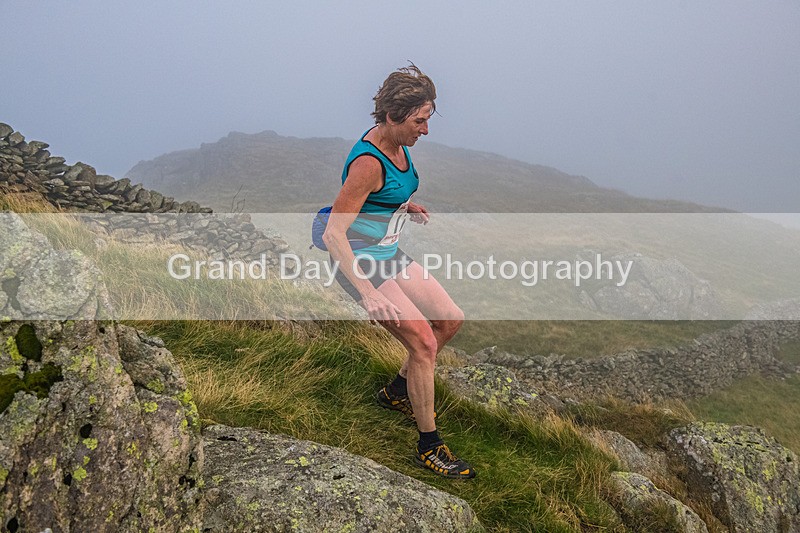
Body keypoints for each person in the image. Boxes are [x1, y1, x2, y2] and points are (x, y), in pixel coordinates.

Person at [322, 64, 474, 479]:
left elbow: (384, 196)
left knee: (449, 320)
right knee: (423, 343)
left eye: (427, 119)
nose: (425, 130)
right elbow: (335, 234)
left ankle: (395, 393)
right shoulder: (367, 164)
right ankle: (430, 446)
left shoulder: (399, 146)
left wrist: (404, 207)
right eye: (419, 121)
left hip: (387, 251)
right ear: (393, 116)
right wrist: (368, 294)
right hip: (361, 262)